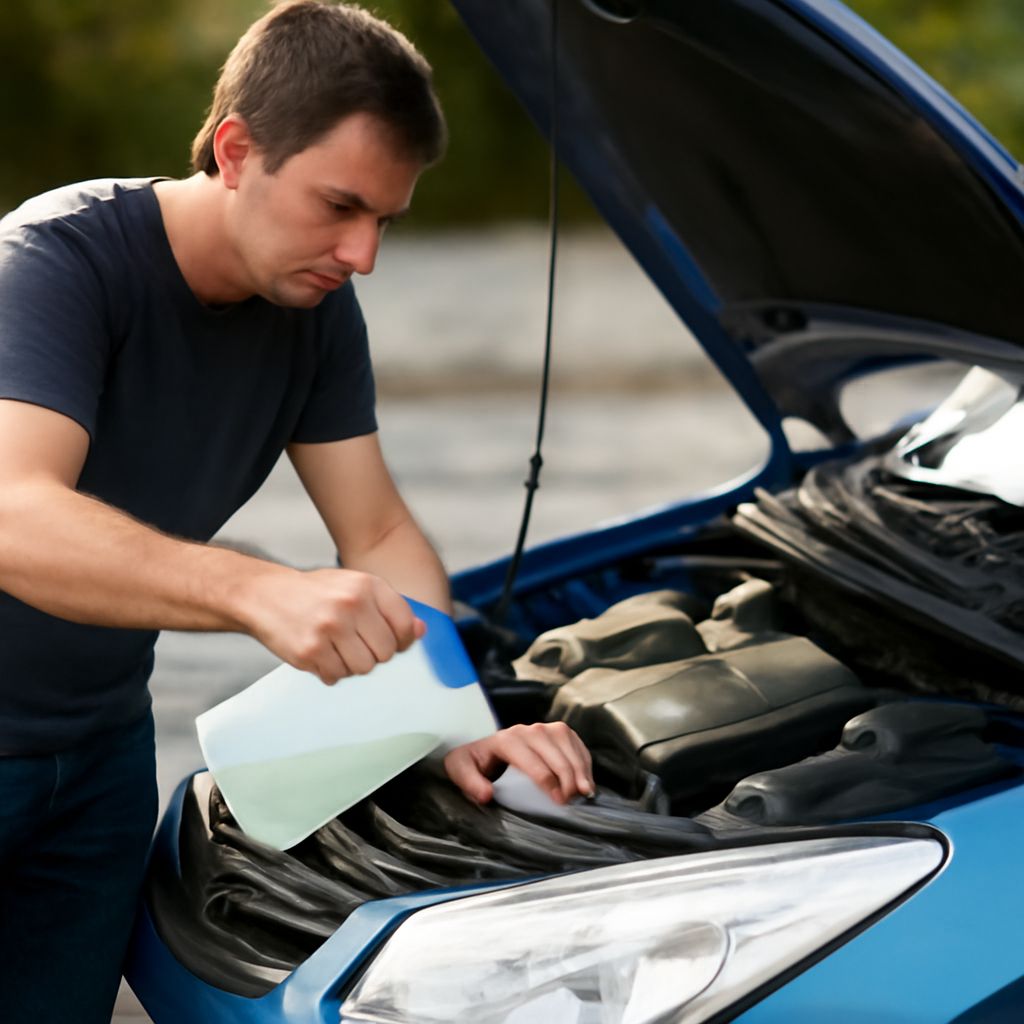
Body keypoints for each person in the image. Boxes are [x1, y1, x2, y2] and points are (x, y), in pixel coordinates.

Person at [0, 3, 593, 1020]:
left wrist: (444, 719)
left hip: (97, 759)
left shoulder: (311, 313)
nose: (361, 254)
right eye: (339, 206)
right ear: (236, 150)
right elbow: (13, 512)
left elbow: (379, 534)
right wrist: (253, 587)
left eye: (385, 223)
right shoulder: (53, 265)